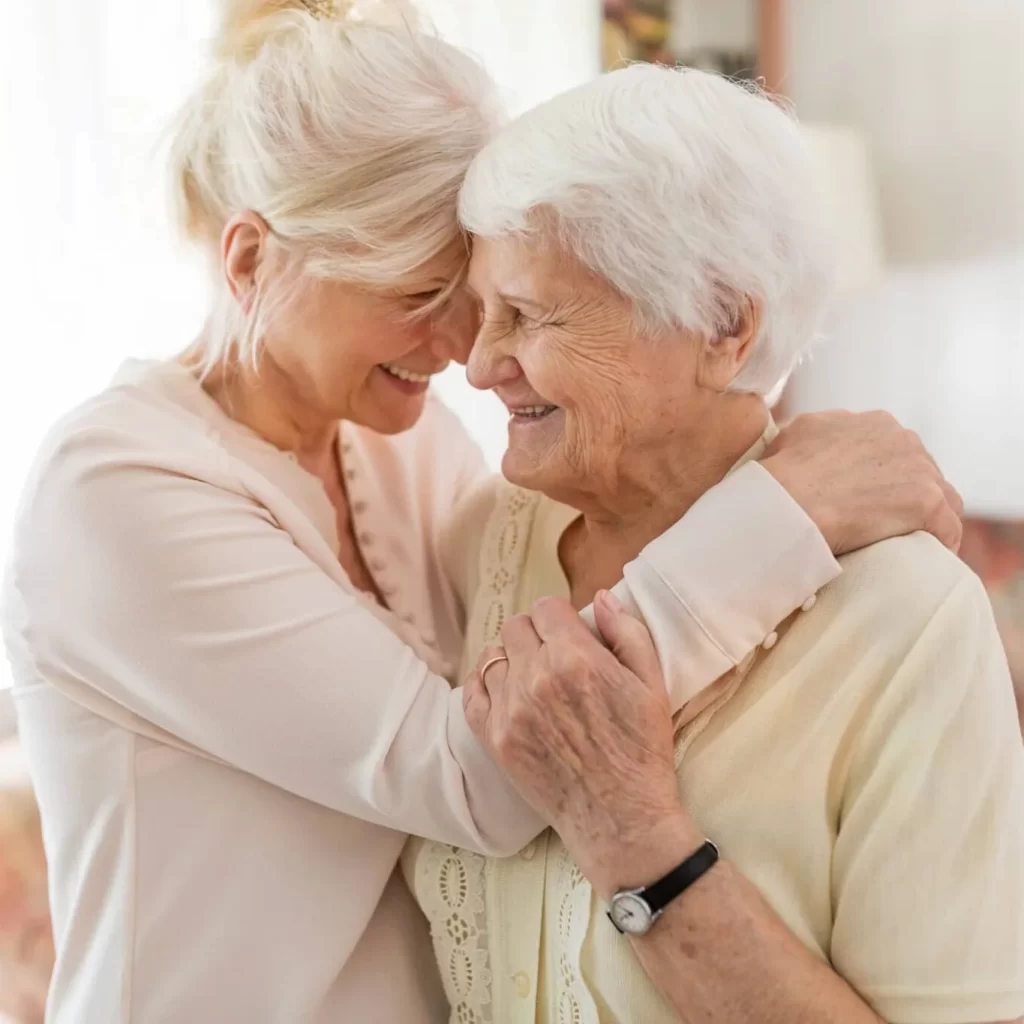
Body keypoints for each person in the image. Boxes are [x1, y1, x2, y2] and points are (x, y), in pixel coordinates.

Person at [1, 5, 965, 1023]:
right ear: (250, 263)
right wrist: (786, 511)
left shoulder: (391, 435)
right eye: (420, 291)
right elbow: (487, 775)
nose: (464, 346)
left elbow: (551, 594)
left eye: (473, 288)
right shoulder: (116, 493)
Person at [404, 63, 1024, 1024]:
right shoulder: (476, 541)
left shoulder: (908, 620)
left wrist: (634, 833)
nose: (481, 365)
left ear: (722, 325)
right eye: (482, 310)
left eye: (528, 313)